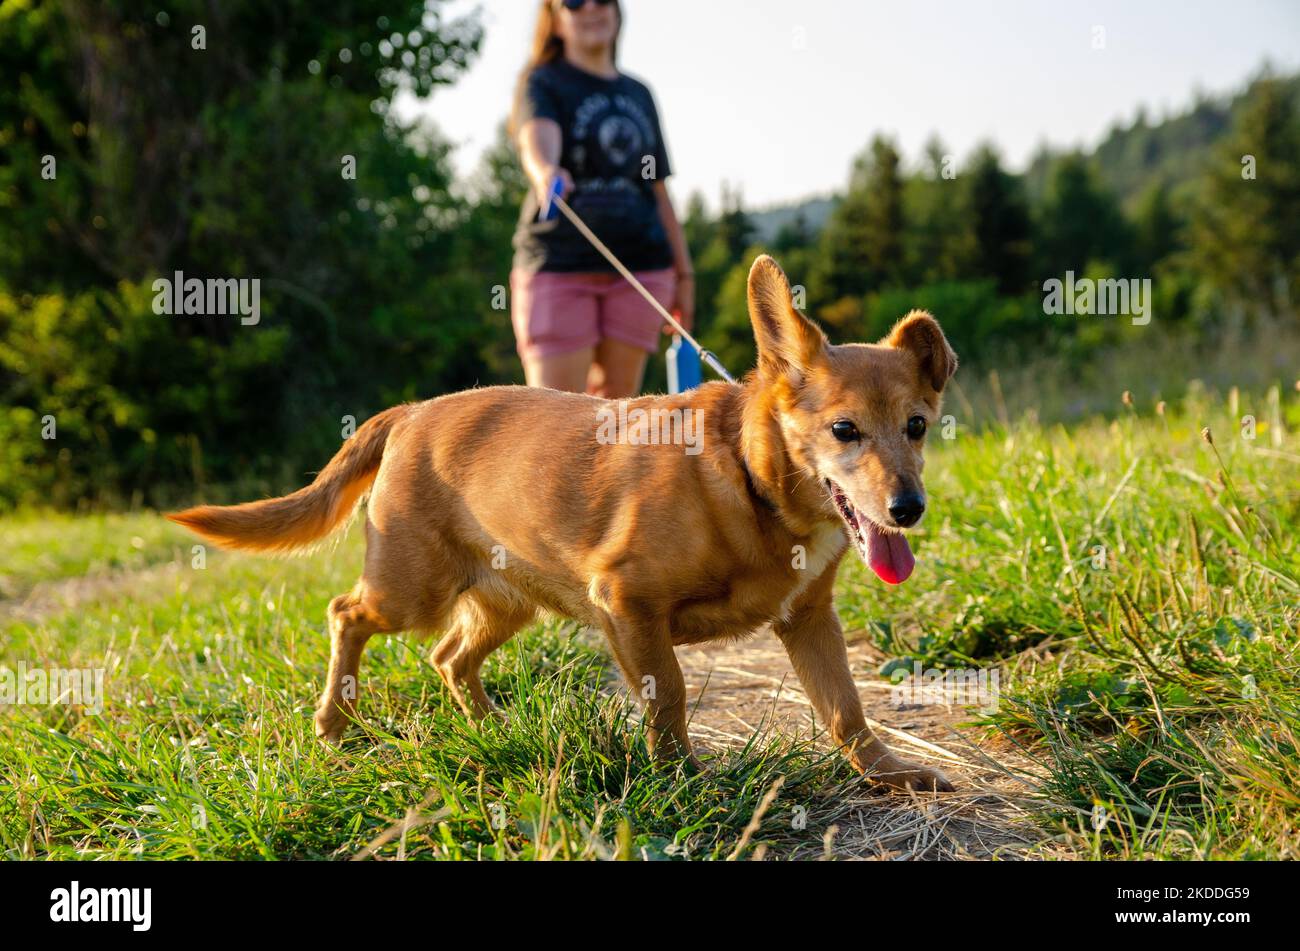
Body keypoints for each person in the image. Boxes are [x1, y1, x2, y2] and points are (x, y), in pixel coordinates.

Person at [509, 0, 694, 398]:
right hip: (559, 266)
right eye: (573, 2)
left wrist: (684, 275)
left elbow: (657, 188)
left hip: (641, 271)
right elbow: (537, 138)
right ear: (556, 20)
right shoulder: (543, 82)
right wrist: (546, 170)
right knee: (555, 422)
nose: (591, 8)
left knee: (616, 421)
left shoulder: (639, 93)